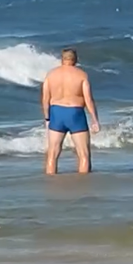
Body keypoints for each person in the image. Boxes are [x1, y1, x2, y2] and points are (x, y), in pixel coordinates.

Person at [41, 47, 100, 175]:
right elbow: (88, 99)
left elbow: (45, 99)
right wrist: (95, 120)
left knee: (52, 154)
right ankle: (83, 185)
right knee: (83, 154)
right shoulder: (81, 75)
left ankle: (51, 185)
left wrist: (47, 118)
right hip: (75, 113)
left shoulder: (51, 75)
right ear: (76, 60)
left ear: (61, 59)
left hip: (56, 113)